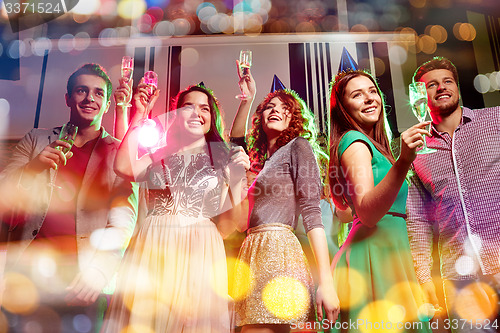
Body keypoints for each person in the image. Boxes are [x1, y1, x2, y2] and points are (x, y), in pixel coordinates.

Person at [0, 63, 138, 333]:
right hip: (26, 274)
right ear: (68, 98)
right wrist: (33, 168)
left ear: (107, 104)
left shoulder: (119, 153)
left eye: (98, 93)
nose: (89, 98)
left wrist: (99, 271)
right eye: (81, 91)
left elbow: (123, 219)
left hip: (83, 279)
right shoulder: (35, 140)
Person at [102, 81, 249, 333]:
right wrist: (139, 114)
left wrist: (239, 176)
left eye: (204, 109)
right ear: (176, 115)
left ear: (212, 118)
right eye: (188, 107)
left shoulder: (225, 157)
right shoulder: (159, 153)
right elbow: (123, 167)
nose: (196, 113)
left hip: (201, 248)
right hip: (155, 244)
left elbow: (241, 221)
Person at [328, 69, 432, 332]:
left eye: (372, 91)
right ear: (343, 108)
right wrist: (404, 162)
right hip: (373, 254)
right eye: (357, 95)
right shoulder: (354, 142)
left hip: (388, 252)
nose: (369, 98)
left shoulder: (373, 146)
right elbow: (367, 212)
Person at [231, 83, 339, 333]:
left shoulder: (298, 146)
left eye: (284, 108)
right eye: (269, 106)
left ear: (294, 118)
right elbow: (235, 144)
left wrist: (326, 281)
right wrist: (247, 100)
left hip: (280, 251)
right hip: (251, 253)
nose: (275, 110)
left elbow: (312, 213)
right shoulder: (260, 166)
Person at [407, 56, 500, 332]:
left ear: (457, 87)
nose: (441, 87)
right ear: (420, 97)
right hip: (460, 276)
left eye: (447, 81)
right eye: (431, 85)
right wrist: (423, 278)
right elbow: (418, 221)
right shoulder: (417, 150)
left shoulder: (495, 120)